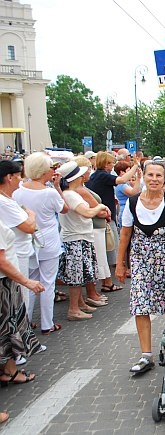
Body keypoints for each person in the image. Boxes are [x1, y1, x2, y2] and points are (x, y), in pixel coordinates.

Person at [115, 161, 165, 374]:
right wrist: (120, 264)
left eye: (158, 175)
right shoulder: (133, 202)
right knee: (140, 304)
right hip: (140, 260)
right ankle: (146, 355)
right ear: (143, 177)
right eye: (150, 175)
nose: (154, 179)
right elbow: (125, 234)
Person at [14, 153, 68, 334]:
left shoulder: (18, 191)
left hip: (28, 241)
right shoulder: (49, 192)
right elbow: (64, 208)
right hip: (48, 240)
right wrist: (57, 187)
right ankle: (47, 323)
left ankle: (26, 322)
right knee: (47, 283)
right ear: (44, 170)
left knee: (30, 283)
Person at [56, 161, 109, 322]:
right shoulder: (70, 194)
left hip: (80, 236)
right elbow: (86, 212)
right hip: (75, 238)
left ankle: (79, 303)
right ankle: (73, 308)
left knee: (82, 273)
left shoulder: (71, 193)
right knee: (76, 275)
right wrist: (99, 207)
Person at [85, 151, 140, 293]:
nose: (112, 166)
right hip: (105, 218)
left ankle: (106, 281)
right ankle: (107, 282)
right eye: (110, 163)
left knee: (107, 249)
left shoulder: (94, 176)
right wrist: (135, 166)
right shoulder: (102, 175)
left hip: (103, 217)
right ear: (105, 163)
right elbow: (122, 180)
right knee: (109, 249)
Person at [0, 218, 45, 390]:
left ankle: (8, 370)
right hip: (4, 282)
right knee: (8, 327)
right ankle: (10, 372)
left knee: (7, 326)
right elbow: (2, 260)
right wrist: (27, 282)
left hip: (6, 281)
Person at [0, 161, 36, 308]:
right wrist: (32, 215)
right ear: (9, 177)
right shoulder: (3, 202)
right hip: (15, 254)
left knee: (21, 297)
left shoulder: (8, 199)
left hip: (19, 251)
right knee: (20, 299)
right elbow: (28, 227)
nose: (21, 179)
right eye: (19, 175)